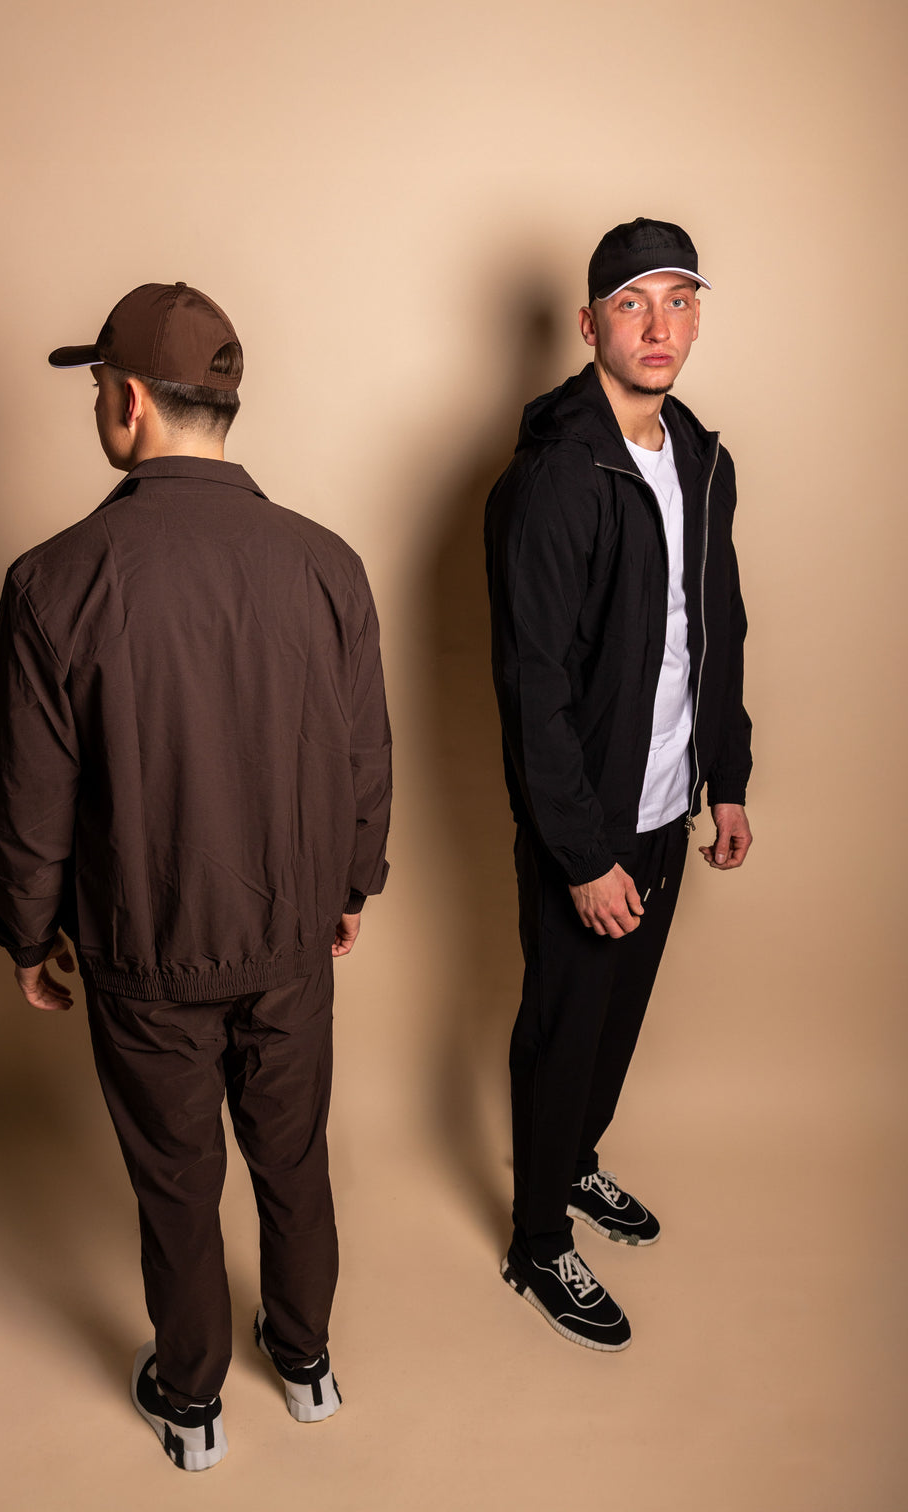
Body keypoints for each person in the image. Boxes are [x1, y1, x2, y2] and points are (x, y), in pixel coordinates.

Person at [0, 282, 391, 1469]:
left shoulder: (53, 581)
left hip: (145, 950)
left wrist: (27, 933)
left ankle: (193, 1403)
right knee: (293, 1158)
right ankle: (307, 1365)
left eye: (97, 391)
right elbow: (365, 751)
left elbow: (28, 797)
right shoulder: (328, 564)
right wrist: (350, 885)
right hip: (291, 938)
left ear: (127, 402)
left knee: (176, 1180)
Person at [484, 218, 752, 1351]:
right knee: (564, 1024)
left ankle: (575, 1161)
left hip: (667, 802)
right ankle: (538, 1239)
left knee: (619, 1017)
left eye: (679, 300)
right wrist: (583, 852)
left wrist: (726, 775)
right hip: (585, 821)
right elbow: (531, 684)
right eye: (634, 303)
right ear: (590, 324)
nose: (659, 325)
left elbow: (716, 627)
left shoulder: (698, 456)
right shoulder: (560, 475)